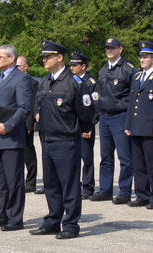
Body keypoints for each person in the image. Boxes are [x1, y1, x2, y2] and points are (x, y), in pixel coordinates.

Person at [29, 40, 95, 239]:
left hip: (66, 141)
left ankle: (71, 225)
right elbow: (38, 104)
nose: (44, 60)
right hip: (47, 139)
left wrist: (79, 130)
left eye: (48, 56)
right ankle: (52, 221)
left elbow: (87, 112)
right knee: (51, 184)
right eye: (43, 57)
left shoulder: (74, 82)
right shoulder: (45, 81)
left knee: (69, 185)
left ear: (60, 57)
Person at [0, 44, 32, 231]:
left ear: (12, 58)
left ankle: (15, 218)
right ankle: (1, 214)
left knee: (13, 180)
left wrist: (8, 126)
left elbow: (24, 108)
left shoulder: (22, 79)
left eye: (0, 57)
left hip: (10, 138)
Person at [124, 42, 153, 209]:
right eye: (141, 56)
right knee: (138, 163)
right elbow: (132, 103)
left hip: (151, 129)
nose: (142, 59)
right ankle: (141, 195)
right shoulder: (137, 77)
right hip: (136, 127)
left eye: (145, 57)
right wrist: (128, 124)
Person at [91, 37, 138, 205]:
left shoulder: (128, 69)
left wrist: (131, 120)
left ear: (120, 49)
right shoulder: (103, 69)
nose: (108, 50)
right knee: (105, 156)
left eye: (112, 47)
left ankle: (125, 191)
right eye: (107, 48)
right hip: (105, 116)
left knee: (125, 157)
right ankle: (105, 190)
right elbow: (99, 95)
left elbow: (135, 97)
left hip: (120, 116)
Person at [68, 52, 99, 199]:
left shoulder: (90, 82)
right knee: (72, 158)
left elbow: (94, 107)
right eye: (71, 65)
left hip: (85, 126)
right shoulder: (71, 80)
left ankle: (88, 187)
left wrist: (90, 127)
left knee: (86, 158)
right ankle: (75, 185)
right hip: (72, 126)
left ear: (83, 66)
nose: (72, 67)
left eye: (75, 65)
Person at [16, 56, 38, 193]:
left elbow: (32, 105)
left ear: (25, 67)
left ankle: (31, 182)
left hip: (25, 124)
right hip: (13, 123)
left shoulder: (32, 83)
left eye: (19, 66)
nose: (16, 68)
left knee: (28, 154)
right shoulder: (12, 81)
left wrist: (29, 125)